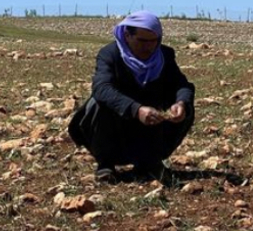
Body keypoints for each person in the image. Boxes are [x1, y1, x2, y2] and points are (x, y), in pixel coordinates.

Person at [69, 11, 195, 182]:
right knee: (98, 103)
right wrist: (136, 109)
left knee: (186, 106)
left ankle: (150, 162)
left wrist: (181, 102)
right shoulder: (110, 54)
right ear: (127, 36)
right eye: (142, 41)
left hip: (151, 128)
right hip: (117, 125)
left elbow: (181, 85)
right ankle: (106, 163)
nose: (149, 47)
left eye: (154, 41)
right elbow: (101, 88)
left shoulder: (164, 56)